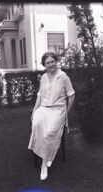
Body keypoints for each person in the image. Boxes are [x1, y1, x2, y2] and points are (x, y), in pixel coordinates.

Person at [28, 52, 75, 180]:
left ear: (56, 62)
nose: (51, 64)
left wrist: (67, 112)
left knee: (48, 133)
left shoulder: (63, 77)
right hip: (43, 109)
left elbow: (71, 95)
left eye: (52, 61)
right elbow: (39, 95)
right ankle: (49, 154)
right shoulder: (43, 77)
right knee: (36, 125)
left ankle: (44, 165)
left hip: (57, 110)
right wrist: (34, 110)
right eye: (48, 63)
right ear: (45, 65)